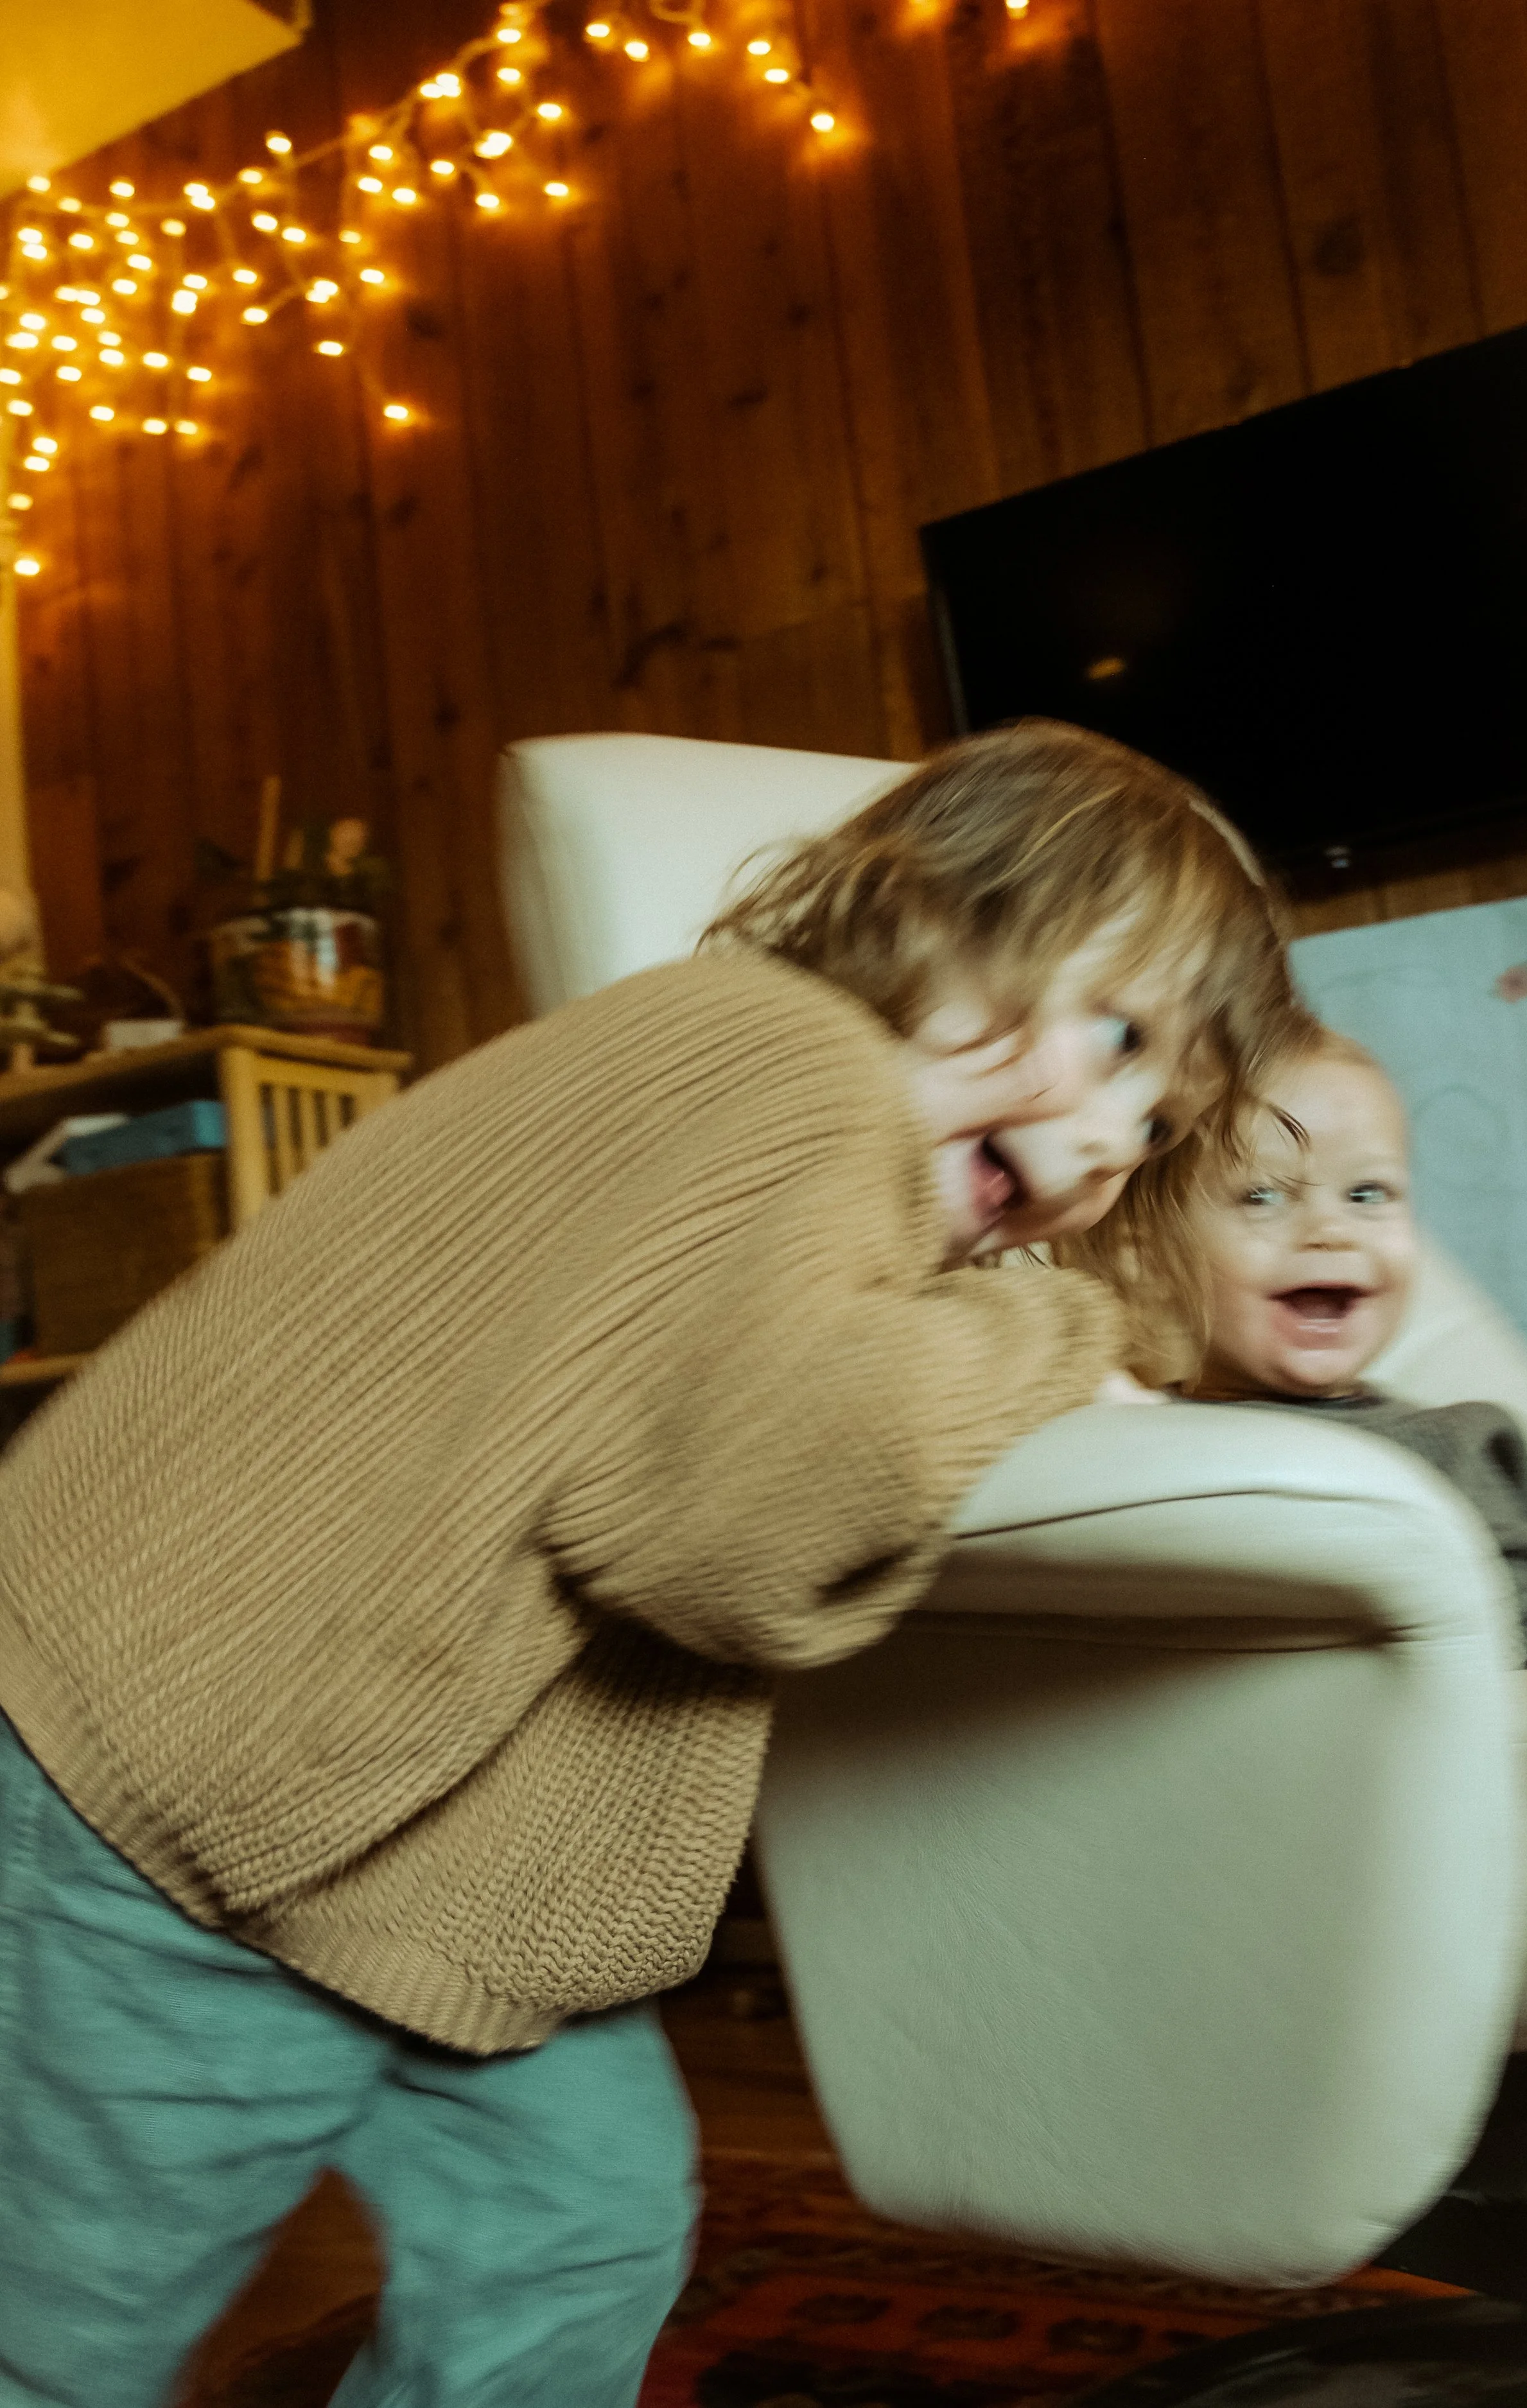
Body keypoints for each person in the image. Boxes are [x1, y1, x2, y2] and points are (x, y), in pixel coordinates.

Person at [0, 720, 1293, 2408]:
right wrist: (1074, 1313)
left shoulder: (774, 1121)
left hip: (411, 1872)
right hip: (161, 1797)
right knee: (69, 2315)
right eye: (1115, 1035)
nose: (1114, 1135)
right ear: (936, 909)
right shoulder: (787, 1072)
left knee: (579, 2222)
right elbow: (746, 1507)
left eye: (1155, 1112)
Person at [1181, 1019, 1527, 1668]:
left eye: (1366, 1193)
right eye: (1260, 1196)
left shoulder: (1467, 1429)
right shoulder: (1211, 1457)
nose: (1329, 1229)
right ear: (1153, 1256)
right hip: (1523, 1669)